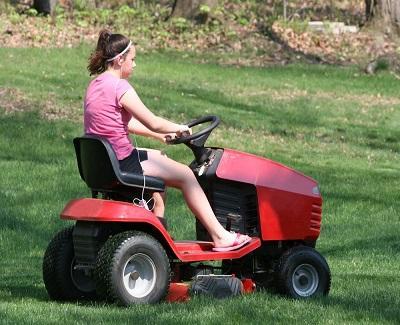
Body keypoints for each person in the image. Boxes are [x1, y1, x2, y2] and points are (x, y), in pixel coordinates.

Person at [84, 30, 251, 251]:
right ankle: (220, 236)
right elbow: (152, 120)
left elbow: (125, 124)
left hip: (104, 162)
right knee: (186, 176)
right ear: (119, 59)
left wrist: (158, 136)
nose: (135, 65)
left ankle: (154, 240)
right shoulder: (119, 87)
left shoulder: (95, 85)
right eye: (132, 60)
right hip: (122, 162)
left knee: (160, 160)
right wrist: (179, 128)